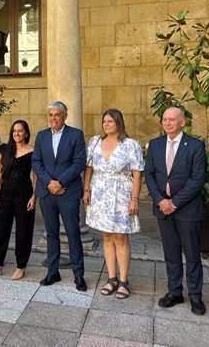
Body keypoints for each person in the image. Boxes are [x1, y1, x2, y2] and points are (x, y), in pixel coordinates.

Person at [145, 107, 207, 315]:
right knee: (171, 254)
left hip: (187, 210)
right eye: (164, 119)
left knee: (191, 255)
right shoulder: (155, 145)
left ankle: (196, 296)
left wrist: (175, 202)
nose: (167, 123)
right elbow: (150, 175)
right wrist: (161, 201)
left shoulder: (196, 145)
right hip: (163, 208)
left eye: (172, 119)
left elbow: (198, 178)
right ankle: (175, 292)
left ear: (183, 122)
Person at [83, 109, 143, 299]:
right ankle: (111, 278)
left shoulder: (130, 145)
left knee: (120, 238)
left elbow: (137, 173)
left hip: (122, 194)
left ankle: (124, 281)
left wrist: (135, 198)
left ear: (119, 122)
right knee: (107, 236)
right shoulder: (94, 142)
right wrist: (86, 189)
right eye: (104, 121)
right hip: (100, 194)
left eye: (110, 121)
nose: (106, 124)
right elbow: (89, 168)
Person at [32, 101, 87, 291]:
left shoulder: (76, 135)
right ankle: (52, 272)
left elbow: (79, 162)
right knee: (51, 234)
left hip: (68, 192)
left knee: (73, 233)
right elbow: (36, 161)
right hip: (47, 193)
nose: (53, 118)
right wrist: (50, 183)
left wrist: (60, 182)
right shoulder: (41, 136)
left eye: (57, 115)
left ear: (65, 116)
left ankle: (79, 275)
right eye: (50, 115)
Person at [0, 120, 36, 280]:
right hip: (5, 193)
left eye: (20, 131)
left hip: (24, 194)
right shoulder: (6, 149)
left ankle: (21, 266)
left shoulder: (33, 151)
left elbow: (35, 176)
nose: (17, 133)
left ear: (26, 133)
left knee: (24, 231)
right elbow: (0, 171)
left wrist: (34, 196)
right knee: (1, 230)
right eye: (14, 130)